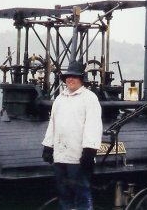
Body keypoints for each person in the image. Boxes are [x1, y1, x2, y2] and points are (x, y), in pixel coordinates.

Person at [41, 60, 103, 210]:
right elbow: (53, 124)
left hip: (78, 158)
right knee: (64, 195)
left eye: (74, 77)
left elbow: (93, 126)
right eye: (68, 76)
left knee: (82, 193)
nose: (70, 79)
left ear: (82, 79)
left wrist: (89, 151)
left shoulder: (89, 98)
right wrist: (48, 147)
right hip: (60, 157)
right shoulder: (59, 99)